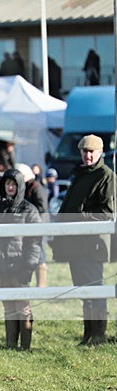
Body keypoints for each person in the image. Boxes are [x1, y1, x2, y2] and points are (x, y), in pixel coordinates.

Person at [50, 134, 115, 345]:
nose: (88, 155)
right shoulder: (79, 174)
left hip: (92, 245)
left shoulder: (106, 176)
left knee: (95, 290)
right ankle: (88, 334)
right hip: (74, 244)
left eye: (91, 152)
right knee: (83, 290)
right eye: (85, 151)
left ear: (100, 152)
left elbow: (107, 213)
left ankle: (98, 335)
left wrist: (76, 217)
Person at [0, 168, 42, 349]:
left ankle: (25, 346)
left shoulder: (29, 210)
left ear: (20, 186)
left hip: (20, 266)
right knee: (8, 306)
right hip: (0, 266)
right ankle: (10, 344)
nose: (10, 187)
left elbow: (34, 241)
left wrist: (29, 266)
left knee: (22, 306)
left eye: (14, 184)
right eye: (7, 183)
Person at [17, 163, 49, 287]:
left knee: (38, 253)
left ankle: (41, 285)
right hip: (30, 226)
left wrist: (26, 213)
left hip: (38, 225)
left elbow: (42, 207)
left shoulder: (36, 188)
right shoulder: (26, 188)